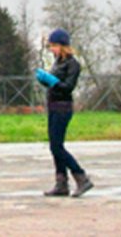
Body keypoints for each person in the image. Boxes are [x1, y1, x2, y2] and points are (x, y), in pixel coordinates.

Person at [35, 28, 93, 198]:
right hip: (53, 106)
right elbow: (55, 86)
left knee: (57, 146)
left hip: (63, 107)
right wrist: (45, 81)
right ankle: (61, 183)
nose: (52, 49)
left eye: (54, 46)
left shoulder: (73, 64)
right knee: (54, 146)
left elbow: (68, 87)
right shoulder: (58, 63)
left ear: (62, 46)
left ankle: (81, 176)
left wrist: (53, 82)